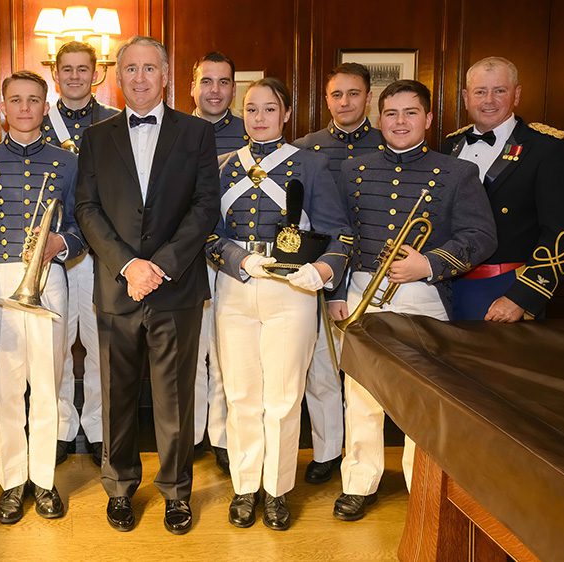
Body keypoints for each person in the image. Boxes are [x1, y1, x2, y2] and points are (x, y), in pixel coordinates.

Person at [75, 35, 220, 535]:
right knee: (115, 394)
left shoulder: (197, 134)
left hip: (176, 287)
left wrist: (159, 264)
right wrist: (128, 265)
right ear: (119, 77)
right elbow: (87, 209)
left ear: (165, 75)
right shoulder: (95, 138)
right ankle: (118, 486)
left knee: (175, 396)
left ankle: (177, 491)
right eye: (130, 69)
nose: (139, 78)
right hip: (117, 288)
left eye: (148, 69)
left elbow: (206, 207)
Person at [333, 80, 497, 521]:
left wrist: (428, 264)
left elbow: (481, 236)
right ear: (379, 118)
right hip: (363, 291)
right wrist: (334, 293)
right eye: (391, 113)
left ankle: (418, 482)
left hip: (424, 294)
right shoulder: (354, 170)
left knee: (424, 396)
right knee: (362, 392)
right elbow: (339, 236)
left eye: (410, 113)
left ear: (428, 119)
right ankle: (359, 482)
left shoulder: (456, 172)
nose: (400, 122)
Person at [206, 77, 351, 531]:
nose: (260, 118)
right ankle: (245, 486)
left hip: (292, 288)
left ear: (286, 114)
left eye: (270, 109)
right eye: (251, 109)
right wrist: (238, 257)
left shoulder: (310, 165)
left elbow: (339, 234)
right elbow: (206, 234)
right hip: (235, 282)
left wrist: (322, 272)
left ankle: (276, 489)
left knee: (284, 398)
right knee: (242, 394)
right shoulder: (223, 166)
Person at [0, 70, 85, 524]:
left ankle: (43, 480)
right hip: (0, 280)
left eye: (33, 100)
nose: (24, 108)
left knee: (47, 384)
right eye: (15, 100)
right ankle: (12, 482)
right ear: (3, 106)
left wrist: (62, 244)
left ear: (46, 106)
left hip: (48, 278)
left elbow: (81, 227)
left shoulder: (67, 162)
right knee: (6, 388)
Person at [292, 62, 385, 485]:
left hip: (374, 274)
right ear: (326, 99)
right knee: (323, 369)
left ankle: (365, 461)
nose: (344, 102)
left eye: (353, 93)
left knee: (368, 378)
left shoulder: (390, 142)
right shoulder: (305, 148)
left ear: (368, 97)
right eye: (336, 95)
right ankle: (328, 450)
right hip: (323, 272)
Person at [444, 56, 564, 321]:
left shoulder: (547, 149)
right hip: (448, 289)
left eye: (500, 91)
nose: (489, 100)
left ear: (516, 95)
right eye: (480, 91)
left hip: (505, 290)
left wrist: (523, 296)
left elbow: (563, 233)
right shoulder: (451, 146)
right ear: (465, 97)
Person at [41, 40, 120, 467]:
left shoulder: (114, 122)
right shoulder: (37, 120)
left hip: (97, 252)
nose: (74, 76)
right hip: (51, 251)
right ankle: (59, 428)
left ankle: (97, 428)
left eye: (82, 69)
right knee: (53, 346)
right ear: (56, 74)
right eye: (66, 69)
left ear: (97, 74)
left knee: (97, 345)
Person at [190, 51, 245, 474]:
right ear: (192, 86)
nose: (214, 90)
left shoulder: (251, 135)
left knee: (227, 355)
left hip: (230, 260)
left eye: (223, 82)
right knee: (190, 354)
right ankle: (190, 436)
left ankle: (223, 437)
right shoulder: (175, 130)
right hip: (187, 258)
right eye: (206, 81)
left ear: (233, 88)